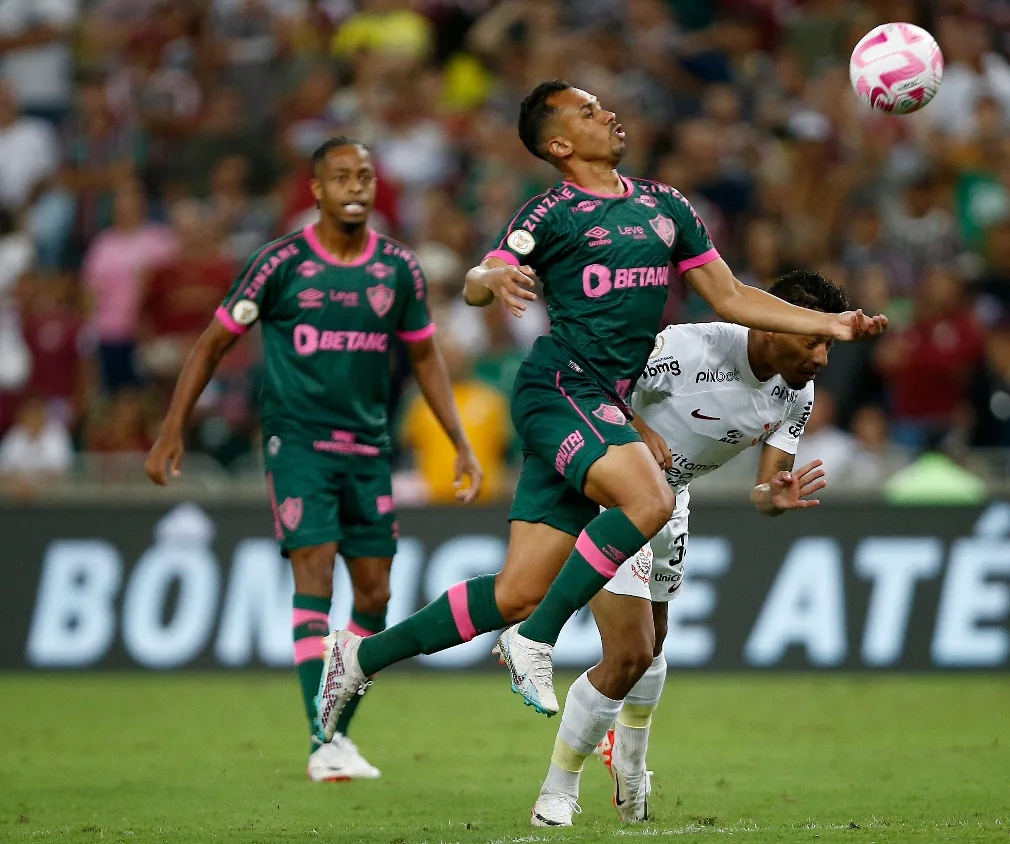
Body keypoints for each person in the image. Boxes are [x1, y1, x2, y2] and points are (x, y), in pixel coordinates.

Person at [313, 81, 885, 738]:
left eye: (603, 106)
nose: (607, 113)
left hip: (595, 404)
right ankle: (535, 640)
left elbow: (728, 295)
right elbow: (482, 276)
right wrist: (487, 281)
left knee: (515, 589)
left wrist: (831, 324)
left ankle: (357, 656)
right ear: (558, 143)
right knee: (651, 500)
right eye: (587, 112)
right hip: (560, 387)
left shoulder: (665, 206)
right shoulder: (550, 213)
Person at [144, 137, 482, 783]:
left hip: (369, 447)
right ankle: (317, 735)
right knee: (316, 575)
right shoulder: (279, 265)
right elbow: (213, 344)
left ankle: (338, 734)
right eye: (341, 177)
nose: (356, 186)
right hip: (298, 444)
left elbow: (422, 356)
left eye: (365, 175)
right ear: (318, 190)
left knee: (378, 595)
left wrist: (459, 440)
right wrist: (172, 430)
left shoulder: (398, 270)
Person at [529, 269, 841, 827]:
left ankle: (629, 766)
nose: (821, 356)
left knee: (655, 645)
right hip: (615, 489)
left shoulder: (798, 393)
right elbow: (593, 383)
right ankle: (558, 789)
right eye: (811, 337)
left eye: (826, 342)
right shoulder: (687, 348)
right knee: (629, 652)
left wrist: (776, 497)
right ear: (771, 325)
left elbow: (763, 492)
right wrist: (632, 424)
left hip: (671, 501)